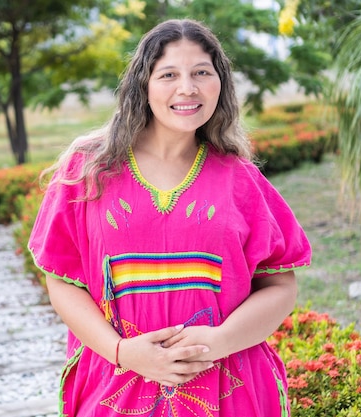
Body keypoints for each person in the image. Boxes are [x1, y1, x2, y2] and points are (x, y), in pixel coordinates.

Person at [28, 18, 311, 417]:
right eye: (168, 75)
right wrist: (124, 352)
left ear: (221, 83)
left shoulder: (239, 179)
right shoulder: (88, 169)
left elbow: (281, 286)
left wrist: (218, 341)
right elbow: (61, 280)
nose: (187, 88)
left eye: (201, 73)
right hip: (116, 382)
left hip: (229, 386)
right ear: (142, 84)